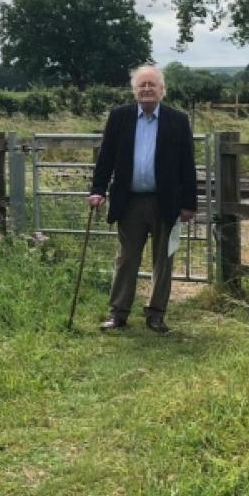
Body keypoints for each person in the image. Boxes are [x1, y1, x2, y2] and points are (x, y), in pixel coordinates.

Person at [87, 65, 197, 334]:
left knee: (163, 258)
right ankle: (118, 312)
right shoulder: (119, 117)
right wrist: (98, 189)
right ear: (134, 91)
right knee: (126, 258)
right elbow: (106, 157)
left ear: (162, 90)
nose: (147, 89)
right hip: (130, 201)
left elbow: (187, 165)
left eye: (152, 85)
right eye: (142, 85)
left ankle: (156, 314)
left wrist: (189, 203)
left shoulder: (178, 120)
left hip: (165, 202)